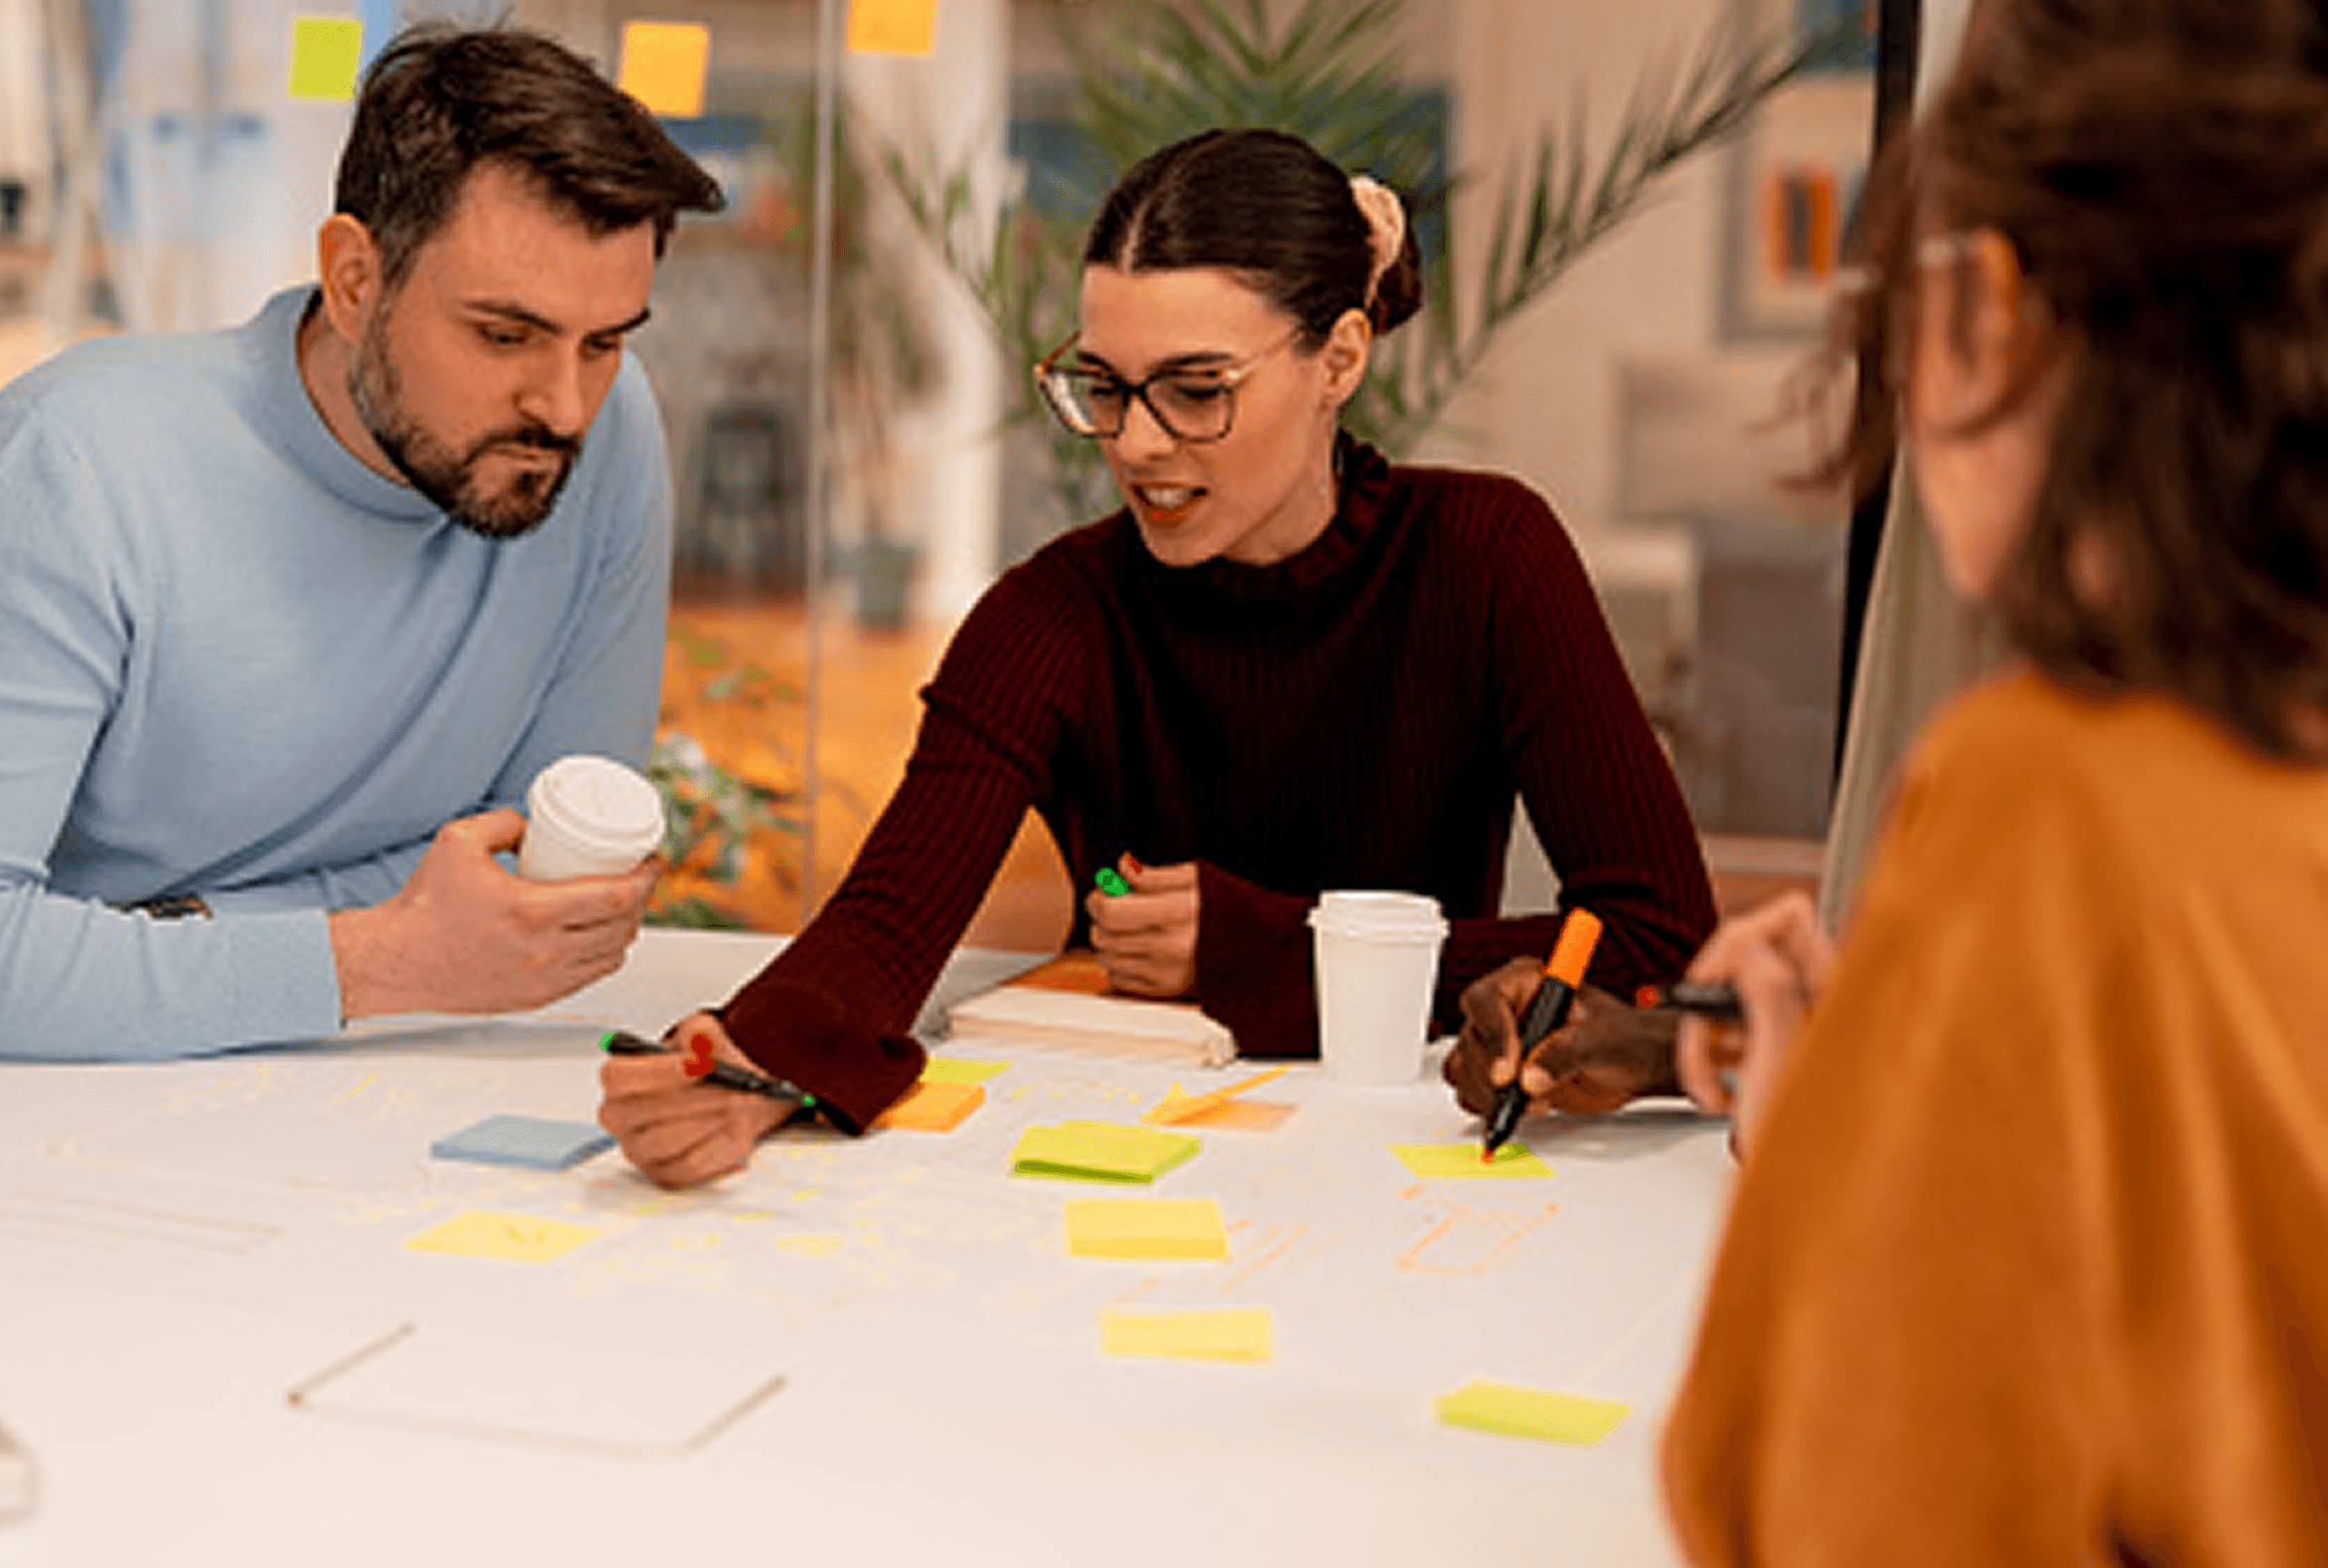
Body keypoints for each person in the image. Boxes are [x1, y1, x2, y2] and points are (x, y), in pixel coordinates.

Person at [603, 128, 1717, 1187]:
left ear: (1339, 357)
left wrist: (1264, 949)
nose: (1137, 443)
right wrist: (745, 1064)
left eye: (1196, 390)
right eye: (1106, 385)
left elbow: (1659, 940)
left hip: (1402, 1154)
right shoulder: (1051, 615)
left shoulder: (1486, 555)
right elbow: (884, 927)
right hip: (1100, 1149)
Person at [0, 25, 724, 1133]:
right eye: (504, 335)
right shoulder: (78, 465)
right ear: (354, 280)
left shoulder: (604, 440)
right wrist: (373, 954)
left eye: (604, 343)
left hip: (273, 1058)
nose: (564, 407)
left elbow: (544, 879)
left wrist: (201, 936)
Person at [1659, 0, 2328, 1557]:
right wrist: (1911, 1083)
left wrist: (1835, 1156)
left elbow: (1842, 1510)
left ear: (1984, 309)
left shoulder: (2052, 802)